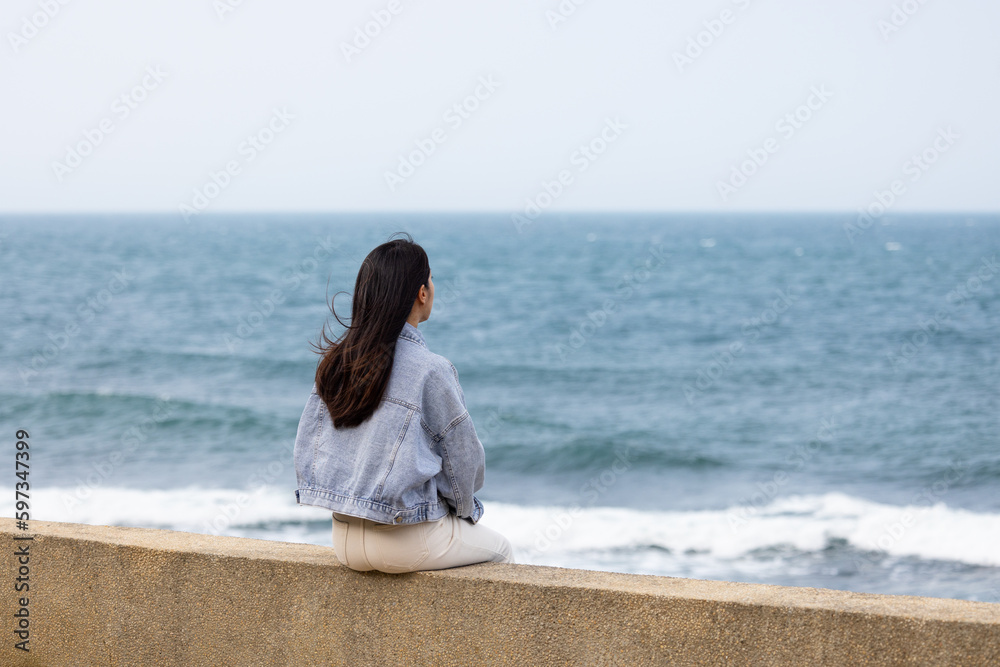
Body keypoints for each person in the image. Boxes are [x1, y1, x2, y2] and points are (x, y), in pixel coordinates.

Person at [293, 232, 515, 573]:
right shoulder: (432, 369)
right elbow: (465, 466)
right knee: (501, 550)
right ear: (421, 293)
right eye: (431, 280)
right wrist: (464, 511)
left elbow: (309, 447)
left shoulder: (336, 361)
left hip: (344, 539)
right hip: (405, 540)